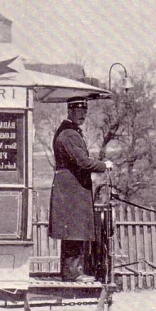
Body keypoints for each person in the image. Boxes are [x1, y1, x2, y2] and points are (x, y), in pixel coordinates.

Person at [48, 97, 113, 282]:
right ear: (70, 110)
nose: (83, 114)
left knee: (74, 230)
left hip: (72, 187)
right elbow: (83, 161)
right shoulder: (69, 134)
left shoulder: (71, 131)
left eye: (85, 110)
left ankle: (73, 271)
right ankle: (73, 273)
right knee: (73, 231)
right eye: (78, 110)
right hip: (71, 188)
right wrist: (104, 165)